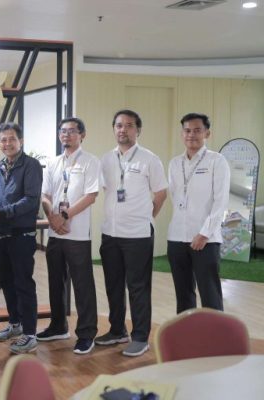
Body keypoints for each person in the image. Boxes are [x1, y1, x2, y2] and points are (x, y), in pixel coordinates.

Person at [96, 110, 168, 357]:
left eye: (128, 125)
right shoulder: (106, 159)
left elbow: (161, 193)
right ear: (114, 129)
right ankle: (117, 330)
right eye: (118, 125)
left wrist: (146, 217)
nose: (123, 130)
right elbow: (105, 191)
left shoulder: (149, 159)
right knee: (113, 286)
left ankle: (140, 337)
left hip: (138, 235)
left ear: (138, 130)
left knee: (138, 288)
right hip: (110, 233)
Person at [39, 117, 99, 355]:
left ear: (82, 135)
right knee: (56, 282)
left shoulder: (90, 161)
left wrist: (64, 216)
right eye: (63, 131)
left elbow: (90, 196)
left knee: (83, 286)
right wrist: (52, 217)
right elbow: (45, 196)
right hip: (55, 233)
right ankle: (58, 326)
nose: (66, 135)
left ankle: (86, 334)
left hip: (78, 234)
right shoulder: (52, 163)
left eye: (72, 131)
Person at [0, 122, 43, 354]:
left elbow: (31, 200)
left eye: (12, 139)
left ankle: (30, 334)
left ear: (21, 141)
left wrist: (1, 213)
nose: (7, 143)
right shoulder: (0, 166)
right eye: (3, 140)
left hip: (21, 235)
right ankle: (15, 324)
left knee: (23, 284)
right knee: (7, 282)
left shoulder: (31, 165)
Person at [167, 113, 230, 313]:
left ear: (207, 133)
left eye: (197, 130)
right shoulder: (175, 163)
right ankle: (186, 330)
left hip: (206, 240)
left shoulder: (217, 161)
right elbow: (175, 197)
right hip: (177, 237)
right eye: (187, 130)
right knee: (183, 294)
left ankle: (216, 331)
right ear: (182, 134)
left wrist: (204, 233)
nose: (191, 135)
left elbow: (221, 202)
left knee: (210, 293)